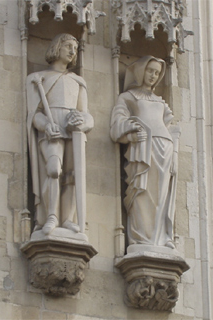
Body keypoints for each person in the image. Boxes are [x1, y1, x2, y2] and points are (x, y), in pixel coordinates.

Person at [27, 34, 94, 235]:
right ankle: (51, 216)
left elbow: (86, 113)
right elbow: (34, 114)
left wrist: (82, 121)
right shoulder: (39, 79)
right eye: (68, 46)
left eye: (75, 47)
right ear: (57, 47)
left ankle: (67, 219)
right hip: (52, 130)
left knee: (71, 176)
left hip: (72, 132)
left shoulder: (78, 81)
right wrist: (46, 125)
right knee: (54, 169)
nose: (72, 51)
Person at [110, 56, 180, 249]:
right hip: (142, 150)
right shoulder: (128, 97)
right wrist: (132, 134)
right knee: (143, 191)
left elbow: (170, 127)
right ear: (141, 71)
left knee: (161, 195)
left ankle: (162, 236)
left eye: (157, 73)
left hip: (165, 150)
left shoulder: (161, 102)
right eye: (150, 71)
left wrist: (174, 153)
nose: (153, 76)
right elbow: (117, 126)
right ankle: (143, 238)